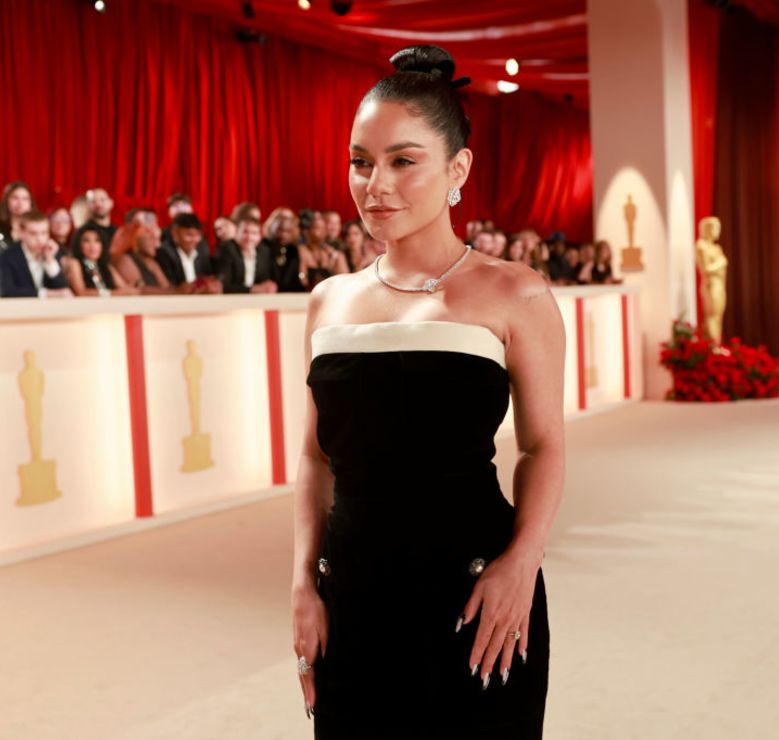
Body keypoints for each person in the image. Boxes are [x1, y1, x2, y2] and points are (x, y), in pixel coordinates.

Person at [292, 45, 561, 738]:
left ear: (457, 169)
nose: (374, 184)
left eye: (403, 161)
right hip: (350, 596)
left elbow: (543, 446)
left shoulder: (516, 293)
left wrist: (521, 566)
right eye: (360, 161)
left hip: (479, 598)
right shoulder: (328, 302)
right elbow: (316, 461)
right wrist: (302, 585)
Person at [0, 210, 72, 298]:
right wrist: (46, 294)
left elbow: (64, 291)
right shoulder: (7, 256)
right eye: (33, 234)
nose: (40, 239)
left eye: (44, 233)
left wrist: (50, 261)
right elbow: (8, 292)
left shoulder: (52, 251)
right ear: (21, 233)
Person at [115, 222, 191, 294]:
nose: (157, 245)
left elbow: (167, 287)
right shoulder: (125, 259)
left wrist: (187, 288)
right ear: (136, 239)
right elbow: (139, 290)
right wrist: (177, 291)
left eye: (158, 239)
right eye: (152, 238)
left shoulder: (151, 262)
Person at [156, 213, 221, 293]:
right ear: (175, 234)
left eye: (197, 235)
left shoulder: (202, 250)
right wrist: (197, 285)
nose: (193, 240)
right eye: (188, 235)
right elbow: (172, 286)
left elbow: (206, 277)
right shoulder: (164, 253)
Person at [64, 225, 136, 296]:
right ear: (79, 245)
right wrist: (112, 293)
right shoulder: (75, 263)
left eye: (97, 241)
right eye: (86, 241)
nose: (92, 245)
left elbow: (124, 288)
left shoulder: (106, 265)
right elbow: (81, 292)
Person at [215, 216, 278, 294]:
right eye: (245, 232)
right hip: (230, 301)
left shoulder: (264, 251)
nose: (249, 237)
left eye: (254, 233)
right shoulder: (226, 249)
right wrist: (252, 289)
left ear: (260, 237)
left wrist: (269, 286)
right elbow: (223, 286)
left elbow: (265, 279)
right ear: (236, 233)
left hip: (257, 301)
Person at [298, 208, 347, 290]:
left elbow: (345, 281)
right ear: (306, 231)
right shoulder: (301, 250)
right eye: (317, 228)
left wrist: (334, 260)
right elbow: (302, 279)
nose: (322, 232)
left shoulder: (334, 253)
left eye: (323, 228)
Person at [263, 207, 304, 292]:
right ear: (272, 227)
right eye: (280, 230)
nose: (283, 235)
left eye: (288, 231)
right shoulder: (263, 247)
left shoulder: (293, 250)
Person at [69, 188, 116, 258]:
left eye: (102, 200)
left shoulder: (117, 232)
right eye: (93, 201)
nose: (98, 204)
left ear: (111, 203)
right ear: (88, 205)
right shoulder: (83, 232)